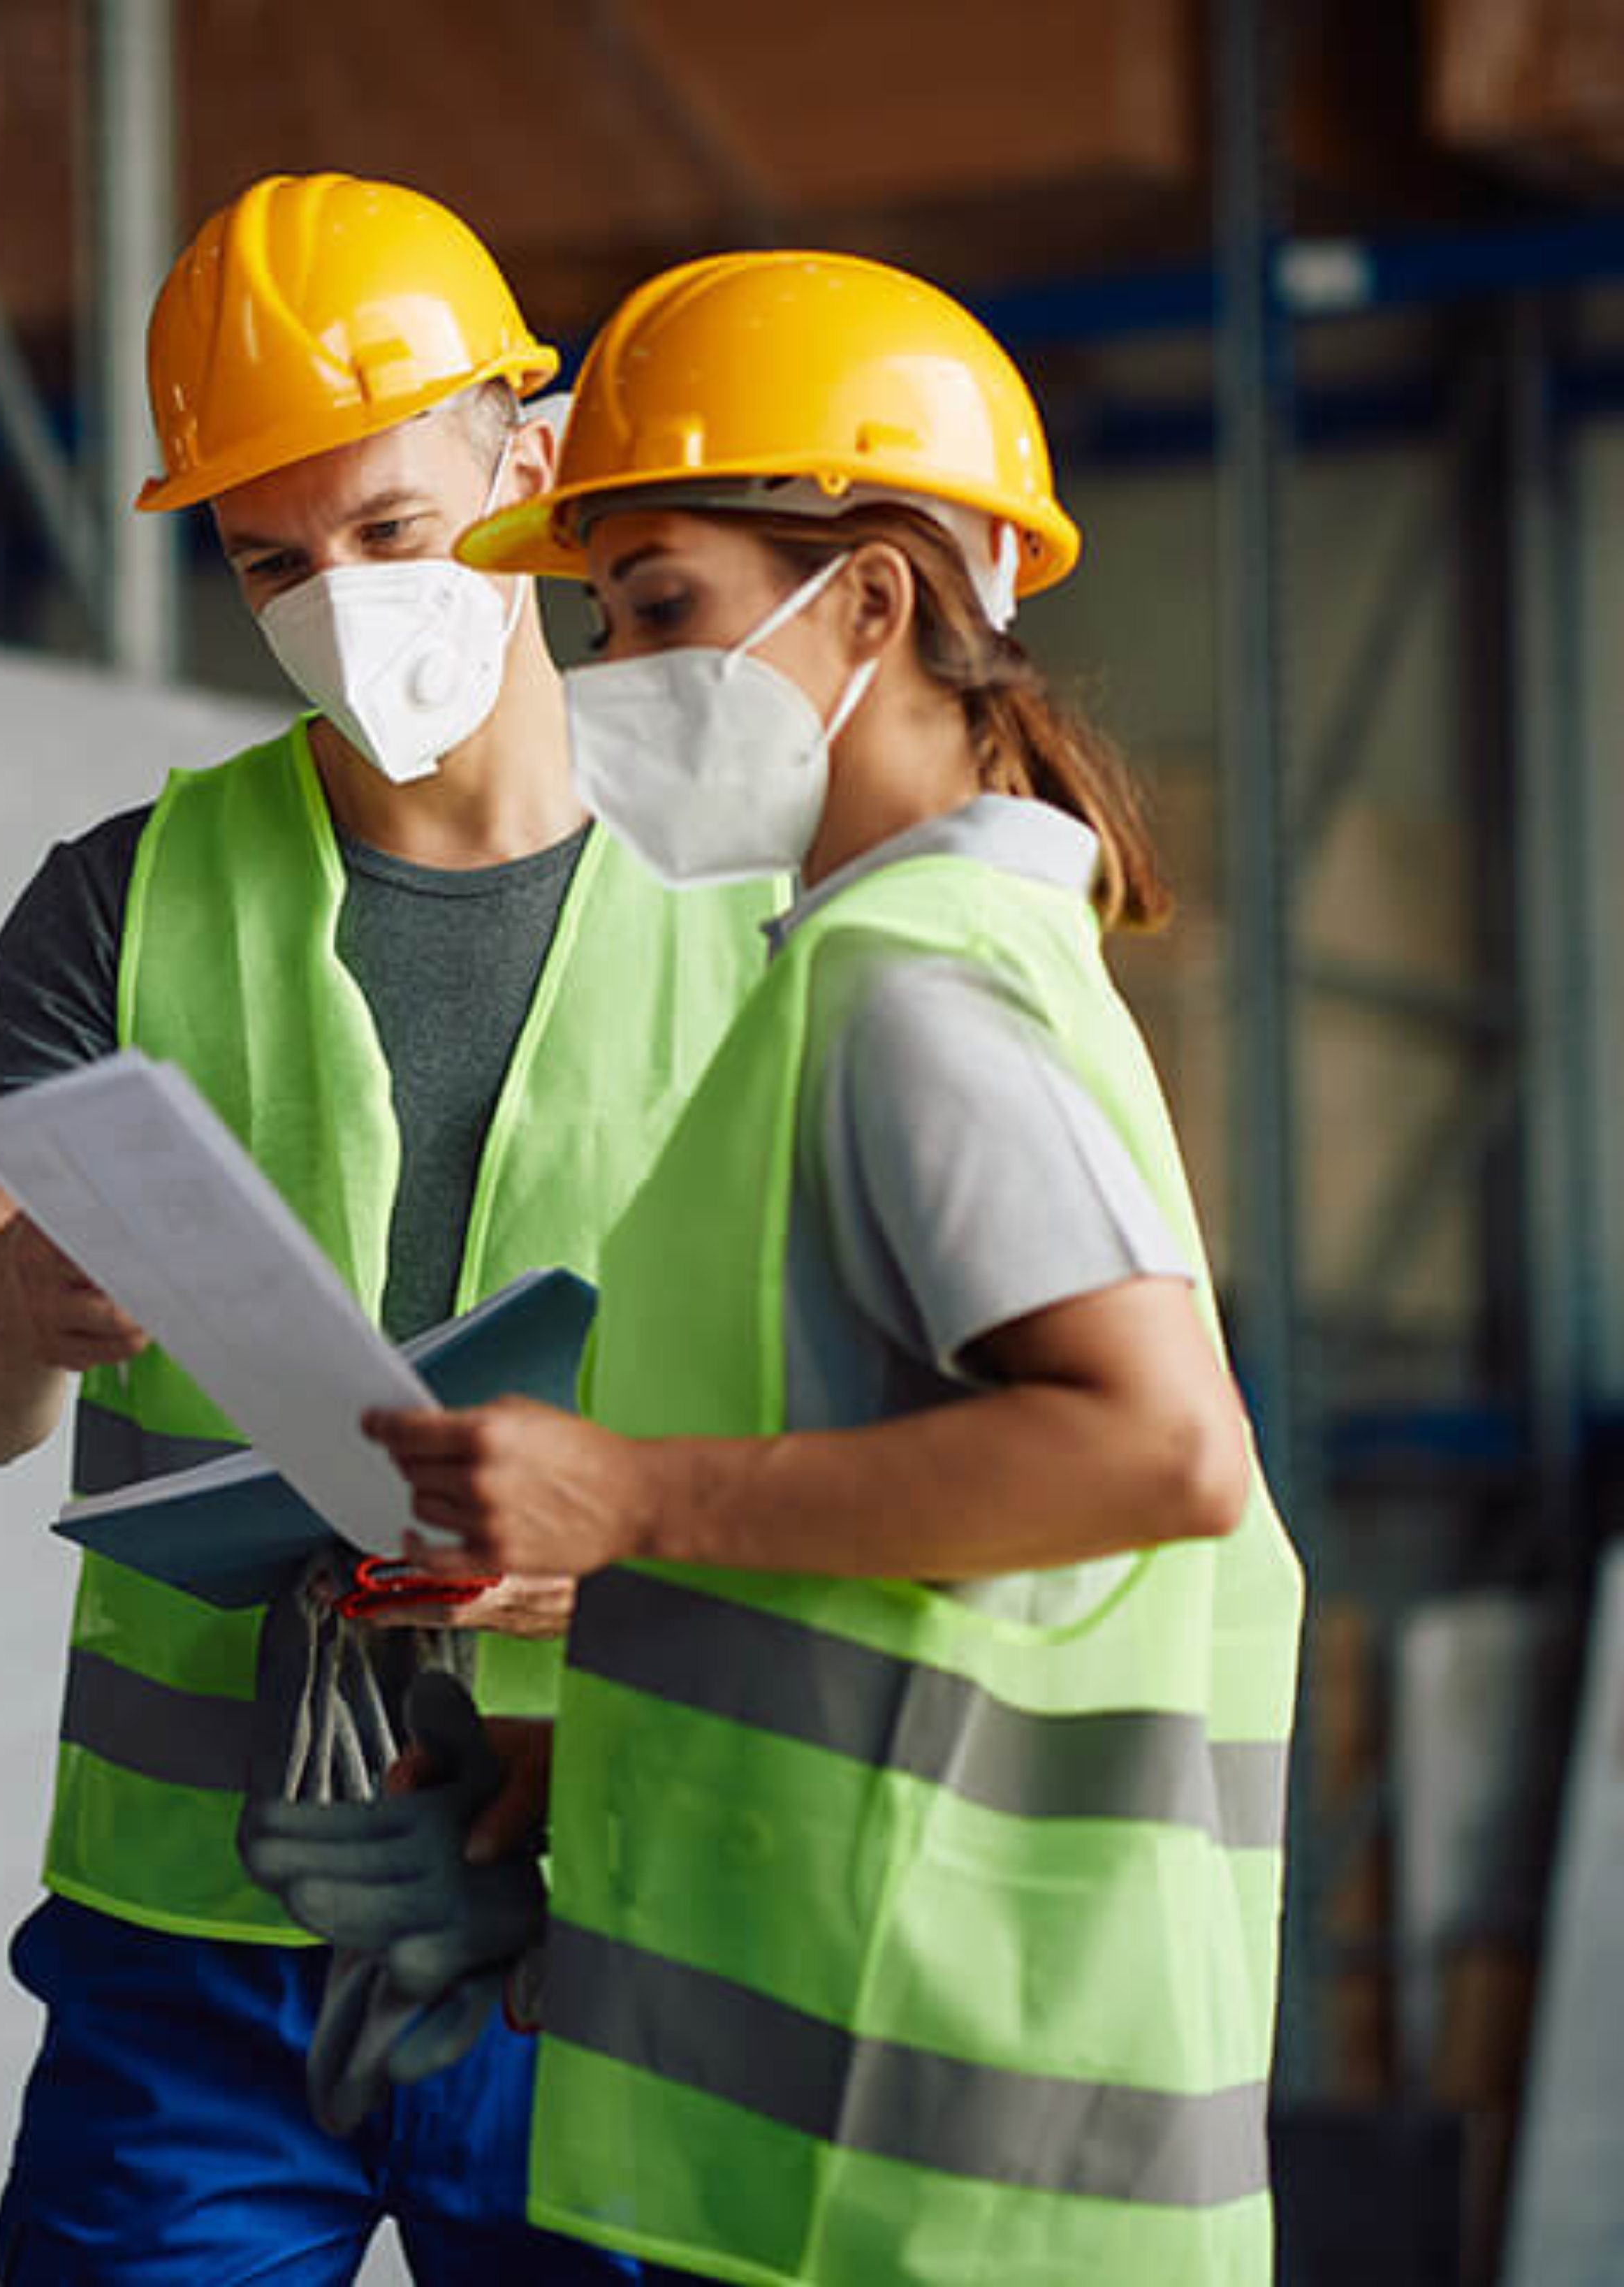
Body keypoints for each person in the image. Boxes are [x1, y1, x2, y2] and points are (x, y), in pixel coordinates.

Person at [339, 250, 1304, 2285]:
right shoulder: (911, 978)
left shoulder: (910, 999)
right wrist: (581, 1778)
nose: (616, 671)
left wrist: (623, 1499)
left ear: (871, 599)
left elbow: (1159, 1456)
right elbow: (924, 1588)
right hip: (910, 2150)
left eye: (667, 602)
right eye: (600, 616)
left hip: (957, 2186)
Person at [0, 173, 773, 2284]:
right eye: (273, 562)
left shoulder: (768, 899)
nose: (343, 603)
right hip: (194, 1956)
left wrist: (632, 1544)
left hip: (612, 1912)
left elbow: (912, 1428)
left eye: (390, 530)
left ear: (530, 462)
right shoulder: (128, 893)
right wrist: (13, 1298)